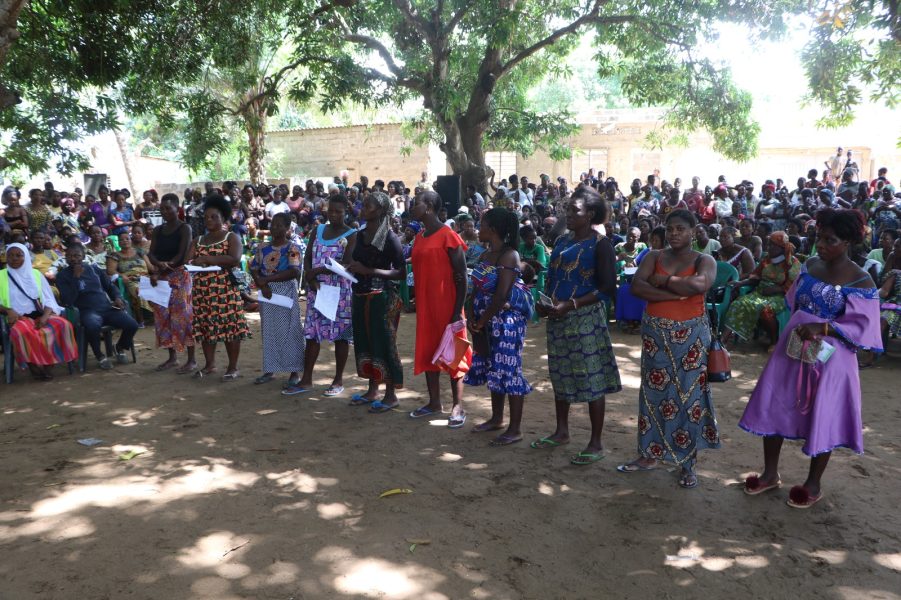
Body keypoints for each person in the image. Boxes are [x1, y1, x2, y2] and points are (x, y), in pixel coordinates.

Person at [740, 209, 881, 508]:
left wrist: (825, 326)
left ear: (848, 242)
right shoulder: (810, 265)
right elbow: (794, 302)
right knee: (774, 403)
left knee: (824, 413)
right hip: (793, 347)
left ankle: (813, 483)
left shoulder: (862, 279)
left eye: (830, 240)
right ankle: (769, 474)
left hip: (833, 358)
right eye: (819, 237)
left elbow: (864, 329)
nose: (821, 245)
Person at [617, 209, 718, 488]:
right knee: (653, 392)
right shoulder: (653, 256)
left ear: (693, 230)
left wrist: (665, 281)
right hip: (655, 336)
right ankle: (649, 454)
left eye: (680, 229)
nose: (674, 234)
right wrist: (675, 293)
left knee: (689, 396)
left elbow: (701, 283)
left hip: (692, 337)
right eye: (670, 229)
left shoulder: (704, 259)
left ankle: (687, 464)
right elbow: (637, 286)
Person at [531, 187, 620, 465]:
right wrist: (546, 304)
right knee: (559, 372)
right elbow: (553, 276)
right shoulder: (562, 241)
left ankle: (596, 442)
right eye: (567, 210)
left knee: (592, 376)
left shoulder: (600, 244)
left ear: (590, 214)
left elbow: (607, 288)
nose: (568, 214)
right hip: (558, 317)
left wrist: (571, 305)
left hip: (585, 319)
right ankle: (561, 431)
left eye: (574, 210)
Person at [465, 208, 534, 446]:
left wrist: (482, 319)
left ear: (492, 229)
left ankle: (515, 429)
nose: (478, 228)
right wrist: (471, 315)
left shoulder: (509, 256)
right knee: (495, 368)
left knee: (509, 369)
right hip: (485, 318)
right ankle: (497, 419)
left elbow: (502, 293)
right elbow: (475, 289)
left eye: (481, 224)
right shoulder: (485, 255)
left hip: (506, 322)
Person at [408, 190, 470, 426]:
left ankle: (458, 406)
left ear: (430, 208)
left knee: (454, 355)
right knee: (428, 352)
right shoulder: (420, 236)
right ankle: (434, 402)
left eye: (418, 203)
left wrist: (457, 311)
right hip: (426, 306)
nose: (414, 207)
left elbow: (462, 276)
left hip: (447, 306)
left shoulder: (448, 235)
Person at [287, 194, 356, 396]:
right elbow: (308, 256)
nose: (334, 214)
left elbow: (347, 264)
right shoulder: (318, 229)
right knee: (312, 334)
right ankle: (307, 379)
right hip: (316, 289)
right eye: (331, 210)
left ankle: (337, 380)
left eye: (339, 211)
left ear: (346, 212)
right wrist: (311, 278)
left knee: (341, 336)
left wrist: (317, 272)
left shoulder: (351, 234)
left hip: (339, 292)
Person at [344, 191, 406, 412]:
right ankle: (373, 390)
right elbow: (354, 260)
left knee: (384, 343)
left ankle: (391, 395)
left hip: (383, 298)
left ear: (380, 211)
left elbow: (400, 272)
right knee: (366, 342)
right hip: (361, 295)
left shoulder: (389, 238)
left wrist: (368, 270)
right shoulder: (360, 235)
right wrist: (350, 266)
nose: (363, 207)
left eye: (368, 205)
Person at [185, 195, 248, 380]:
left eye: (214, 217)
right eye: (206, 217)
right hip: (202, 292)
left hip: (225, 291)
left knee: (230, 329)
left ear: (223, 218)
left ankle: (233, 367)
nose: (209, 220)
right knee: (206, 328)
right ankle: (210, 365)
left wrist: (206, 259)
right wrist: (194, 262)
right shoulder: (198, 240)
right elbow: (187, 260)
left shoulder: (231, 237)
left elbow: (234, 259)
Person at [0, 243, 77, 380]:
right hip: (18, 317)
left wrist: (45, 317)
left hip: (41, 314)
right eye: (10, 255)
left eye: (19, 255)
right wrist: (8, 310)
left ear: (26, 257)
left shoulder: (36, 274)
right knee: (22, 332)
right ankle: (32, 364)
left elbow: (49, 299)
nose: (14, 258)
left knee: (63, 325)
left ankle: (48, 365)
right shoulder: (1, 276)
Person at [56, 243, 139, 370]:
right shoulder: (62, 276)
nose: (73, 259)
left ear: (83, 256)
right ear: (66, 258)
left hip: (106, 308)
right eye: (69, 256)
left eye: (77, 255)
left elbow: (110, 287)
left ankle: (119, 347)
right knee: (92, 325)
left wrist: (117, 297)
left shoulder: (94, 269)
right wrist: (76, 279)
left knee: (132, 324)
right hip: (86, 311)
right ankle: (100, 355)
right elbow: (67, 300)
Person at [250, 212, 304, 388]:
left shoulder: (292, 248)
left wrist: (267, 281)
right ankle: (270, 369)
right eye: (273, 224)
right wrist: (261, 283)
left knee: (291, 330)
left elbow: (294, 272)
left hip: (285, 291)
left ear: (288, 228)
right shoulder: (262, 247)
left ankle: (294, 371)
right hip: (267, 293)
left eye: (280, 225)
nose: (275, 228)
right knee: (270, 330)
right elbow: (254, 267)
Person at [723, 231, 802, 347]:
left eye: (772, 245)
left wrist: (778, 289)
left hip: (780, 296)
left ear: (781, 247)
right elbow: (755, 277)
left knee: (767, 311)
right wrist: (740, 283)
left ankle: (774, 341)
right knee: (738, 304)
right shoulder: (767, 260)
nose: (768, 247)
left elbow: (794, 285)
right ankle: (723, 339)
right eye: (768, 244)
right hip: (759, 293)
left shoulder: (792, 263)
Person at [148, 193, 196, 373]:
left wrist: (166, 266)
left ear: (178, 208)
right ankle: (172, 357)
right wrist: (158, 266)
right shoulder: (157, 230)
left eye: (168, 208)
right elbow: (151, 253)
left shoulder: (185, 228)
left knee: (182, 316)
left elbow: (183, 255)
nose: (165, 211)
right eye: (162, 208)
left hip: (179, 276)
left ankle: (191, 359)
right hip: (161, 276)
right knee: (163, 317)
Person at [106, 231, 153, 327]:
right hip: (130, 279)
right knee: (137, 289)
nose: (124, 241)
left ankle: (155, 317)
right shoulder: (114, 255)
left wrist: (158, 273)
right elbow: (110, 271)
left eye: (127, 238)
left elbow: (150, 267)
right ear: (118, 243)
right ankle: (141, 319)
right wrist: (121, 275)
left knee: (161, 286)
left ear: (130, 240)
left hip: (146, 278)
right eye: (121, 240)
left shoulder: (140, 252)